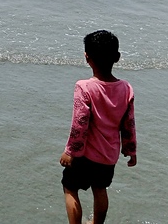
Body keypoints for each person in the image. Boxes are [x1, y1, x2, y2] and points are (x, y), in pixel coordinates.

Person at [60, 30, 137, 224]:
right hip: (108, 156)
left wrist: (70, 151)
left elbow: (80, 122)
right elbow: (128, 123)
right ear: (117, 57)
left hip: (84, 155)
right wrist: (130, 149)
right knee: (100, 189)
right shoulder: (126, 88)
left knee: (69, 187)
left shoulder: (84, 87)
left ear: (87, 57)